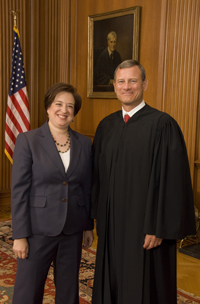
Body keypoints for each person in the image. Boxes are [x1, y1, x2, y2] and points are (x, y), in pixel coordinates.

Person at [91, 60, 196, 304]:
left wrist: (158, 227)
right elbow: (96, 177)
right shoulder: (106, 126)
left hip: (146, 229)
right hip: (112, 226)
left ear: (145, 84)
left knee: (148, 287)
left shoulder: (162, 125)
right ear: (114, 86)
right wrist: (92, 218)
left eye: (133, 80)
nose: (127, 86)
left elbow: (172, 183)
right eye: (121, 81)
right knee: (112, 278)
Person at [11, 82, 94, 304]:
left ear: (74, 112)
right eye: (58, 104)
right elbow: (19, 191)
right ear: (48, 107)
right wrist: (20, 235)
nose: (64, 110)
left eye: (70, 106)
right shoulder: (28, 141)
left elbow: (86, 187)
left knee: (68, 291)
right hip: (37, 229)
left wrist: (88, 225)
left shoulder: (85, 143)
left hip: (72, 230)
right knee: (28, 291)